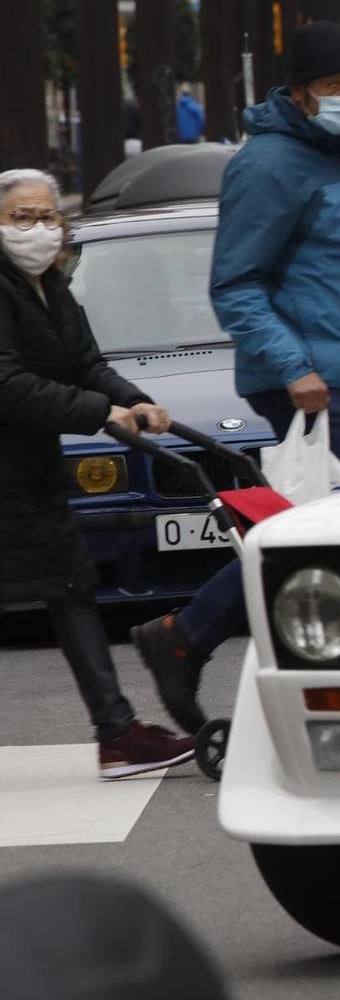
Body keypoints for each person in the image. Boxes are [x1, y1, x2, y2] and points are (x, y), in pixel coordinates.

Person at [131, 22, 340, 733]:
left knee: (315, 528)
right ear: (299, 92)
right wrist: (295, 369)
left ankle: (191, 638)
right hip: (303, 378)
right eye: (331, 88)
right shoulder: (268, 164)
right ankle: (187, 635)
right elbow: (237, 284)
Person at [0, 168, 194, 777]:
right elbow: (6, 383)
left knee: (72, 586)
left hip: (30, 468)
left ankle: (117, 733)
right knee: (69, 589)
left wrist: (134, 402)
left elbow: (83, 363)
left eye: (46, 217)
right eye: (20, 218)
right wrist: (99, 412)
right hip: (8, 473)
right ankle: (116, 731)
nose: (35, 230)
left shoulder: (50, 288)